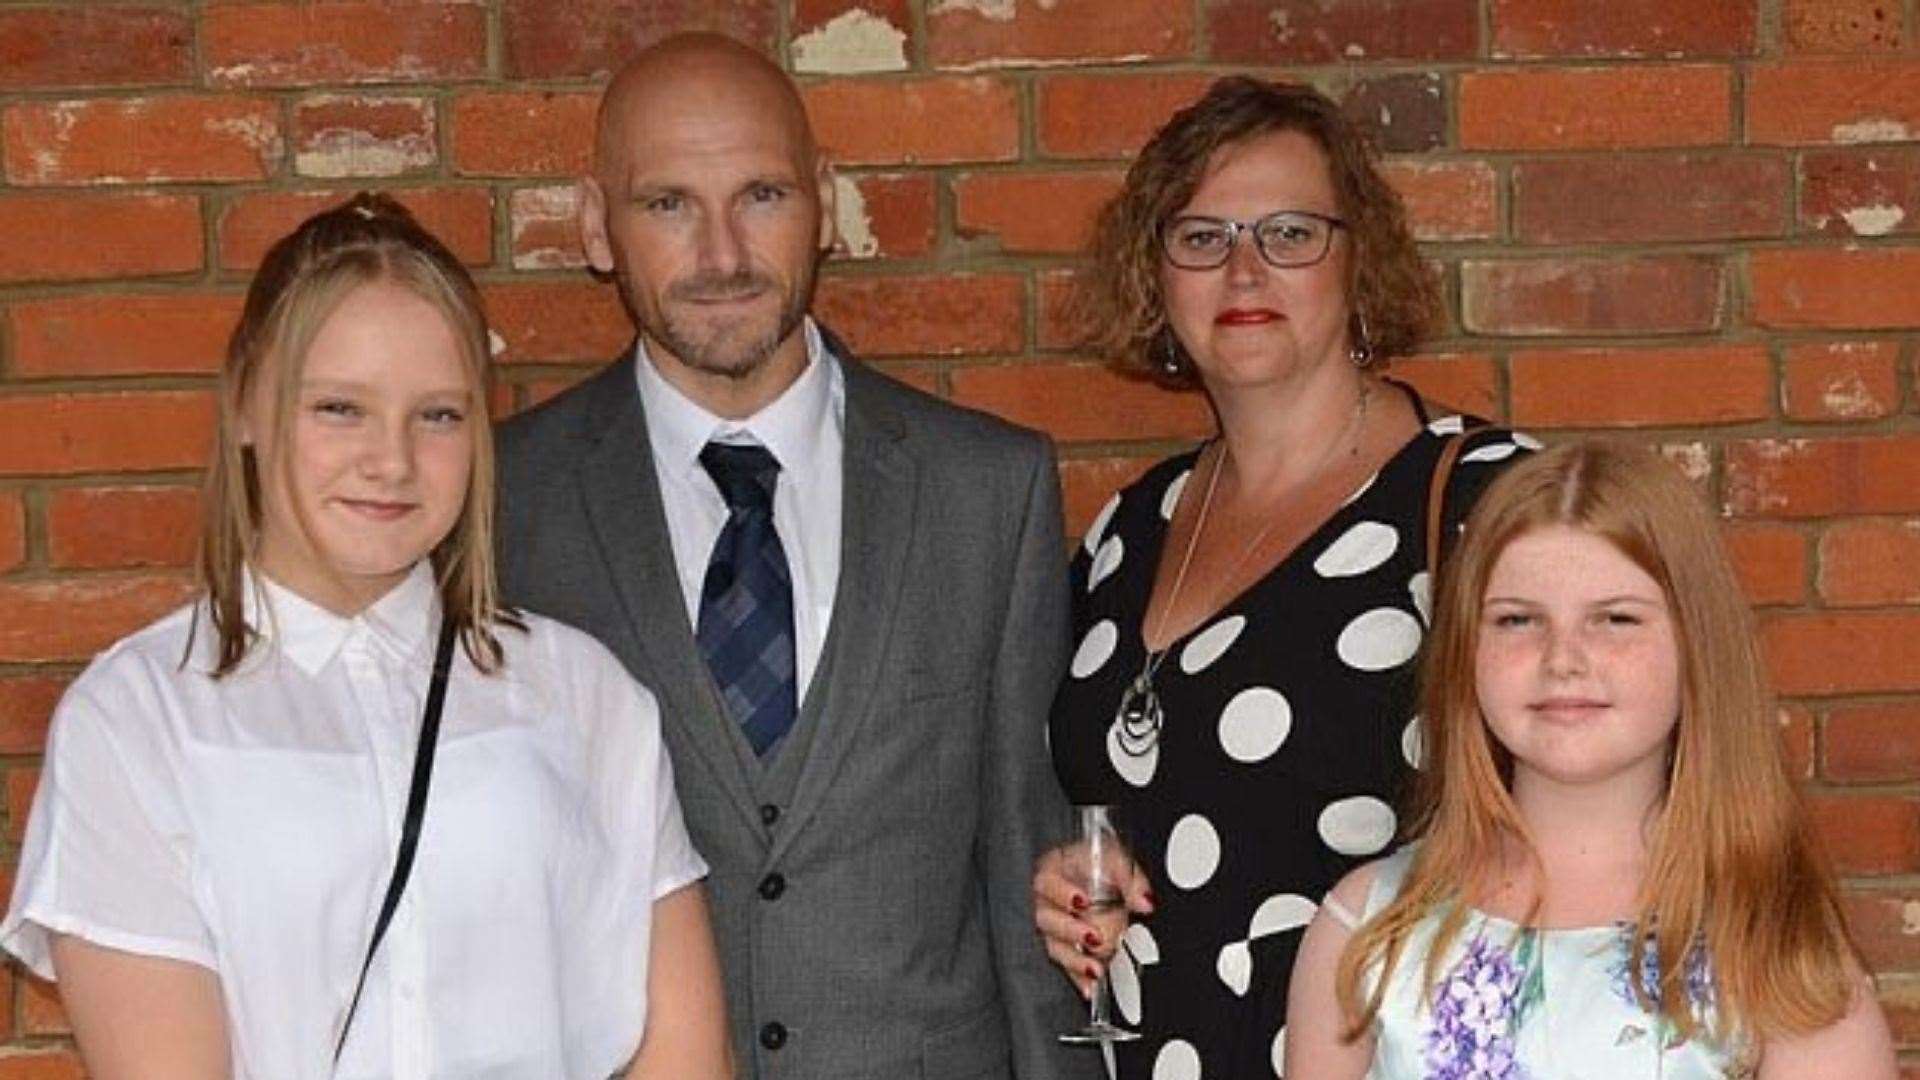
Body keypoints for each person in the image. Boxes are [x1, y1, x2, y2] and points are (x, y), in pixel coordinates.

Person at [0, 194, 730, 1079]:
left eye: (439, 416)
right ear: (244, 408)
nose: (391, 460)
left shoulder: (585, 694)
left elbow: (683, 1058)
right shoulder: (138, 721)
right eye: (340, 408)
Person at [493, 33, 1096, 1080]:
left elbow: (1023, 873)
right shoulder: (508, 499)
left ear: (824, 201)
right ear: (597, 224)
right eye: (668, 203)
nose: (722, 254)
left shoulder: (986, 490)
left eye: (762, 194)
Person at [1034, 76, 1536, 1077]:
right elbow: (1106, 799)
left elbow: (1610, 820)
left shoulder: (1483, 502)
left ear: (1361, 262)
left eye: (1292, 233)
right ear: (1158, 276)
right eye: (1202, 237)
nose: (1245, 269)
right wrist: (1060, 876)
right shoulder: (1132, 527)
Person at [1283, 441, 1898, 1078]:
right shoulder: (1368, 929)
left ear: (1697, 644)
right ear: (1465, 650)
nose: (1564, 658)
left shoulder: (1771, 944)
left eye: (1616, 620)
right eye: (1519, 620)